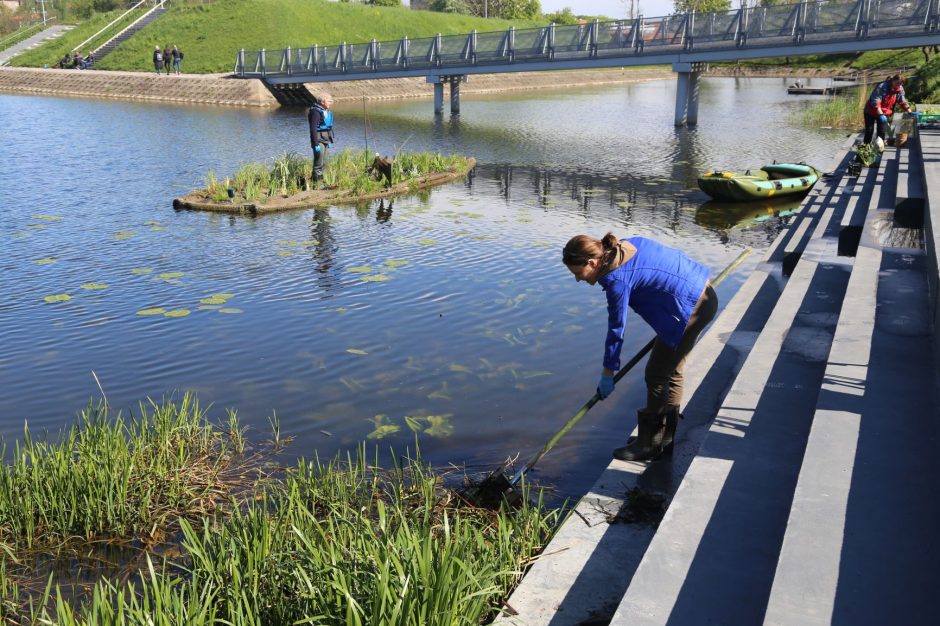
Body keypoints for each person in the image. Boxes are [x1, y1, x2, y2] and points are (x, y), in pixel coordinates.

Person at [562, 233, 718, 462]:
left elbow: (617, 329)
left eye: (578, 273)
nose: (577, 279)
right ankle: (664, 439)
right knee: (671, 371)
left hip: (691, 307)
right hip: (698, 293)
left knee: (656, 374)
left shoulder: (616, 279)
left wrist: (608, 372)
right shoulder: (625, 245)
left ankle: (649, 444)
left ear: (592, 263)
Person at [863, 73, 911, 146]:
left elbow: (902, 101)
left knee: (881, 132)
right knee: (869, 131)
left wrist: (909, 111)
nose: (898, 85)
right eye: (897, 83)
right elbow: (876, 102)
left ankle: (879, 150)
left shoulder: (899, 89)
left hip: (885, 112)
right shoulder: (882, 87)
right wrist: (881, 114)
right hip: (871, 111)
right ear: (893, 80)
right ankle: (865, 148)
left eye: (900, 84)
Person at [307, 92, 334, 188]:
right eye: (329, 101)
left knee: (324, 163)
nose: (330, 103)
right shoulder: (315, 112)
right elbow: (313, 129)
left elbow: (328, 128)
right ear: (323, 101)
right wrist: (315, 144)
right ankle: (317, 184)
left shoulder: (323, 111)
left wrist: (329, 141)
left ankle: (321, 181)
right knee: (318, 163)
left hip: (325, 140)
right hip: (318, 140)